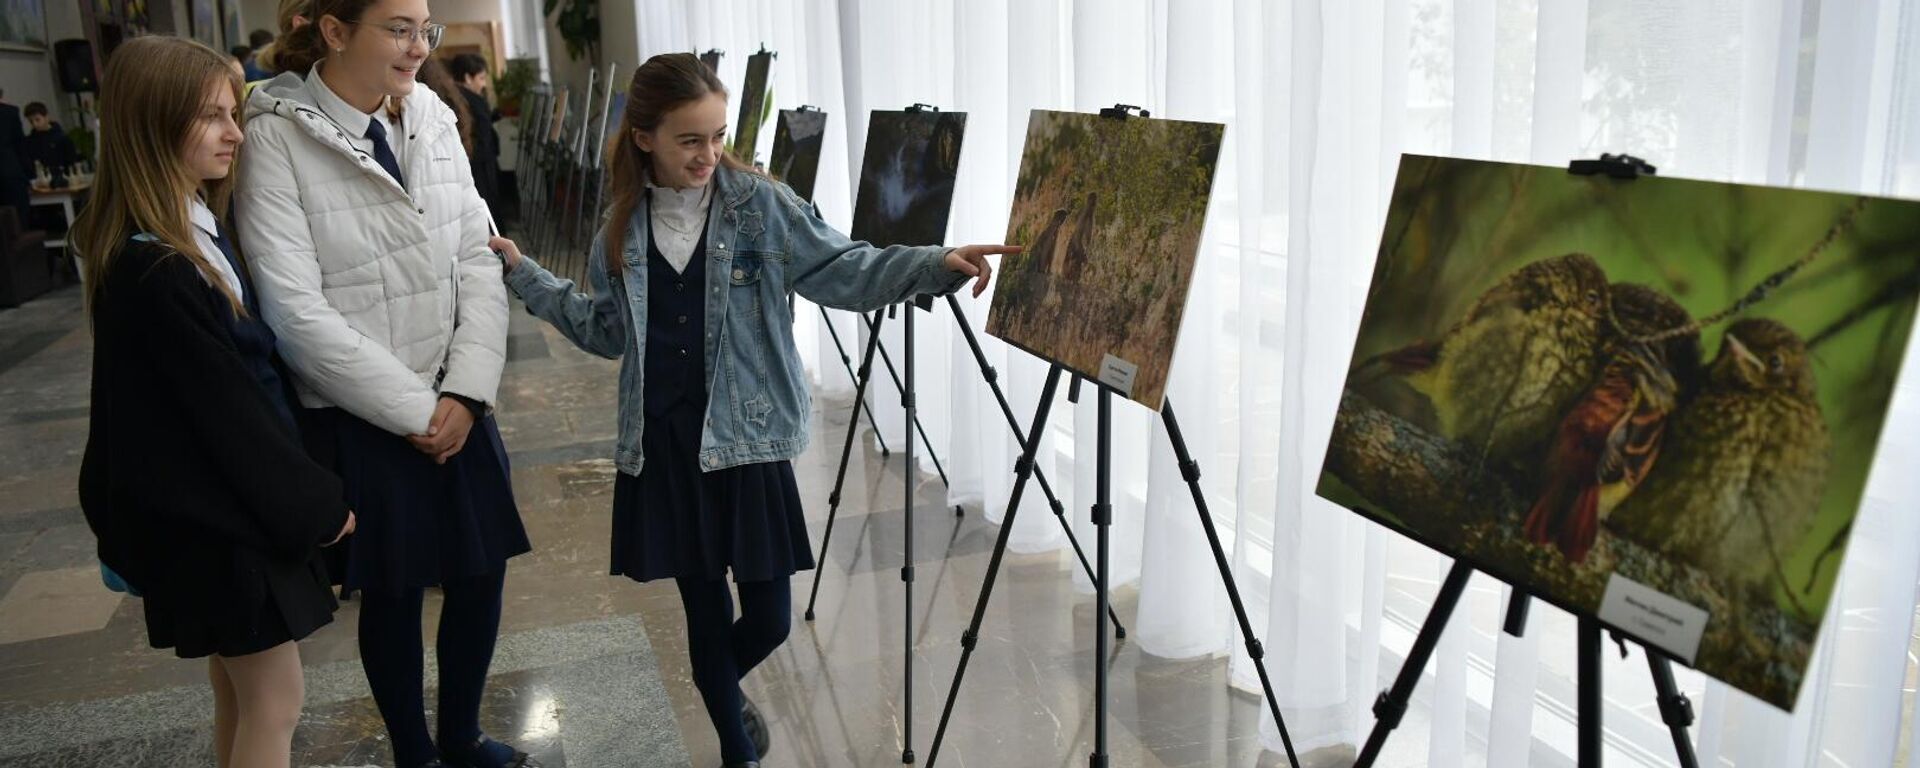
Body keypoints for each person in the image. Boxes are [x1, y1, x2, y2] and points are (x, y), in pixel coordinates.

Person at [495, 52, 1011, 768]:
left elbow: (845, 268)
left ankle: (719, 687)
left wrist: (935, 262)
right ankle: (737, 750)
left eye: (716, 135)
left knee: (768, 619)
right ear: (644, 137)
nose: (710, 154)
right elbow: (605, 331)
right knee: (703, 612)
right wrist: (528, 278)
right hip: (665, 445)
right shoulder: (619, 228)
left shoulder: (759, 204)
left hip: (748, 442)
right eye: (690, 140)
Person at [236, 1, 535, 766]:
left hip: (455, 394)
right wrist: (415, 412)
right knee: (395, 590)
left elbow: (477, 251)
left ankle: (461, 734)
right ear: (334, 31)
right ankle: (416, 751)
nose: (419, 46)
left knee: (479, 574)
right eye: (398, 28)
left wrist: (465, 394)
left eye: (424, 28)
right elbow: (293, 309)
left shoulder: (429, 109)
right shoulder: (276, 133)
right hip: (365, 412)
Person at [72, 35, 355, 768]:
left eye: (234, 113)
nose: (236, 133)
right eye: (212, 117)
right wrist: (321, 507)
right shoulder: (161, 267)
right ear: (153, 125)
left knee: (239, 696)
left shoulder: (170, 242)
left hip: (210, 523)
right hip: (222, 531)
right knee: (275, 702)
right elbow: (234, 420)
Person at [444, 53, 499, 217]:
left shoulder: (454, 96)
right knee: (488, 205)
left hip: (472, 161)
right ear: (468, 77)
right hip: (479, 164)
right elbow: (482, 133)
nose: (483, 84)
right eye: (481, 78)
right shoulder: (472, 99)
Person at [20, 102, 77, 177]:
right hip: (40, 181)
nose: (34, 124)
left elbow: (71, 163)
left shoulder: (62, 138)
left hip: (63, 179)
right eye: (31, 121)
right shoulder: (29, 141)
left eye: (37, 119)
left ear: (46, 117)